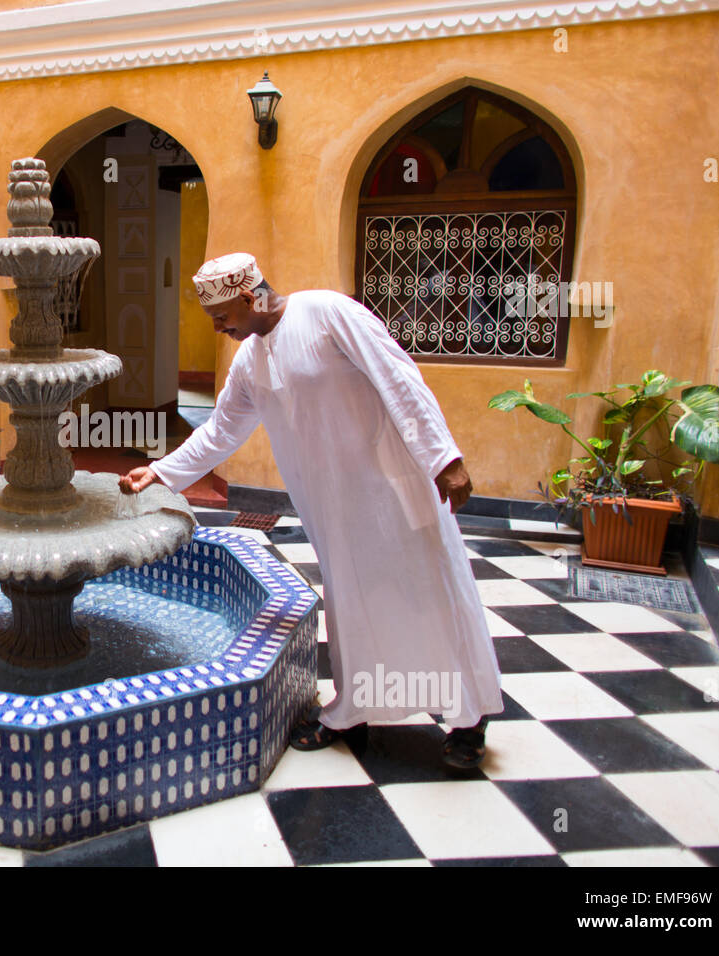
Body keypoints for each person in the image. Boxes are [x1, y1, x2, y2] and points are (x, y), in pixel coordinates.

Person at [119, 253, 503, 769]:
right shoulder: (250, 361)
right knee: (355, 599)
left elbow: (399, 378)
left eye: (222, 316)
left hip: (396, 490)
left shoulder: (328, 312)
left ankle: (468, 720)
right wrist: (162, 471)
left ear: (251, 296)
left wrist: (444, 459)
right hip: (333, 505)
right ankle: (356, 705)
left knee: (429, 592)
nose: (219, 328)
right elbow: (221, 431)